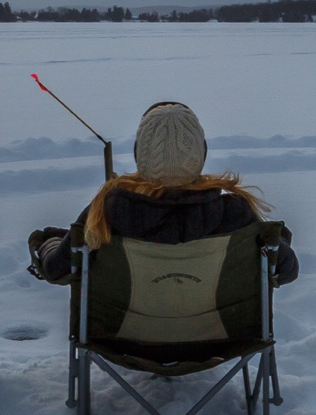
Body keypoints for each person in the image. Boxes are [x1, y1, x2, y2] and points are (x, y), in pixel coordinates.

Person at [28, 100, 299, 285]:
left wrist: (49, 244)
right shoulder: (235, 213)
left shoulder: (109, 210)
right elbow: (285, 271)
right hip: (219, 336)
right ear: (200, 154)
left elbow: (57, 269)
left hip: (122, 337)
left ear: (139, 155)